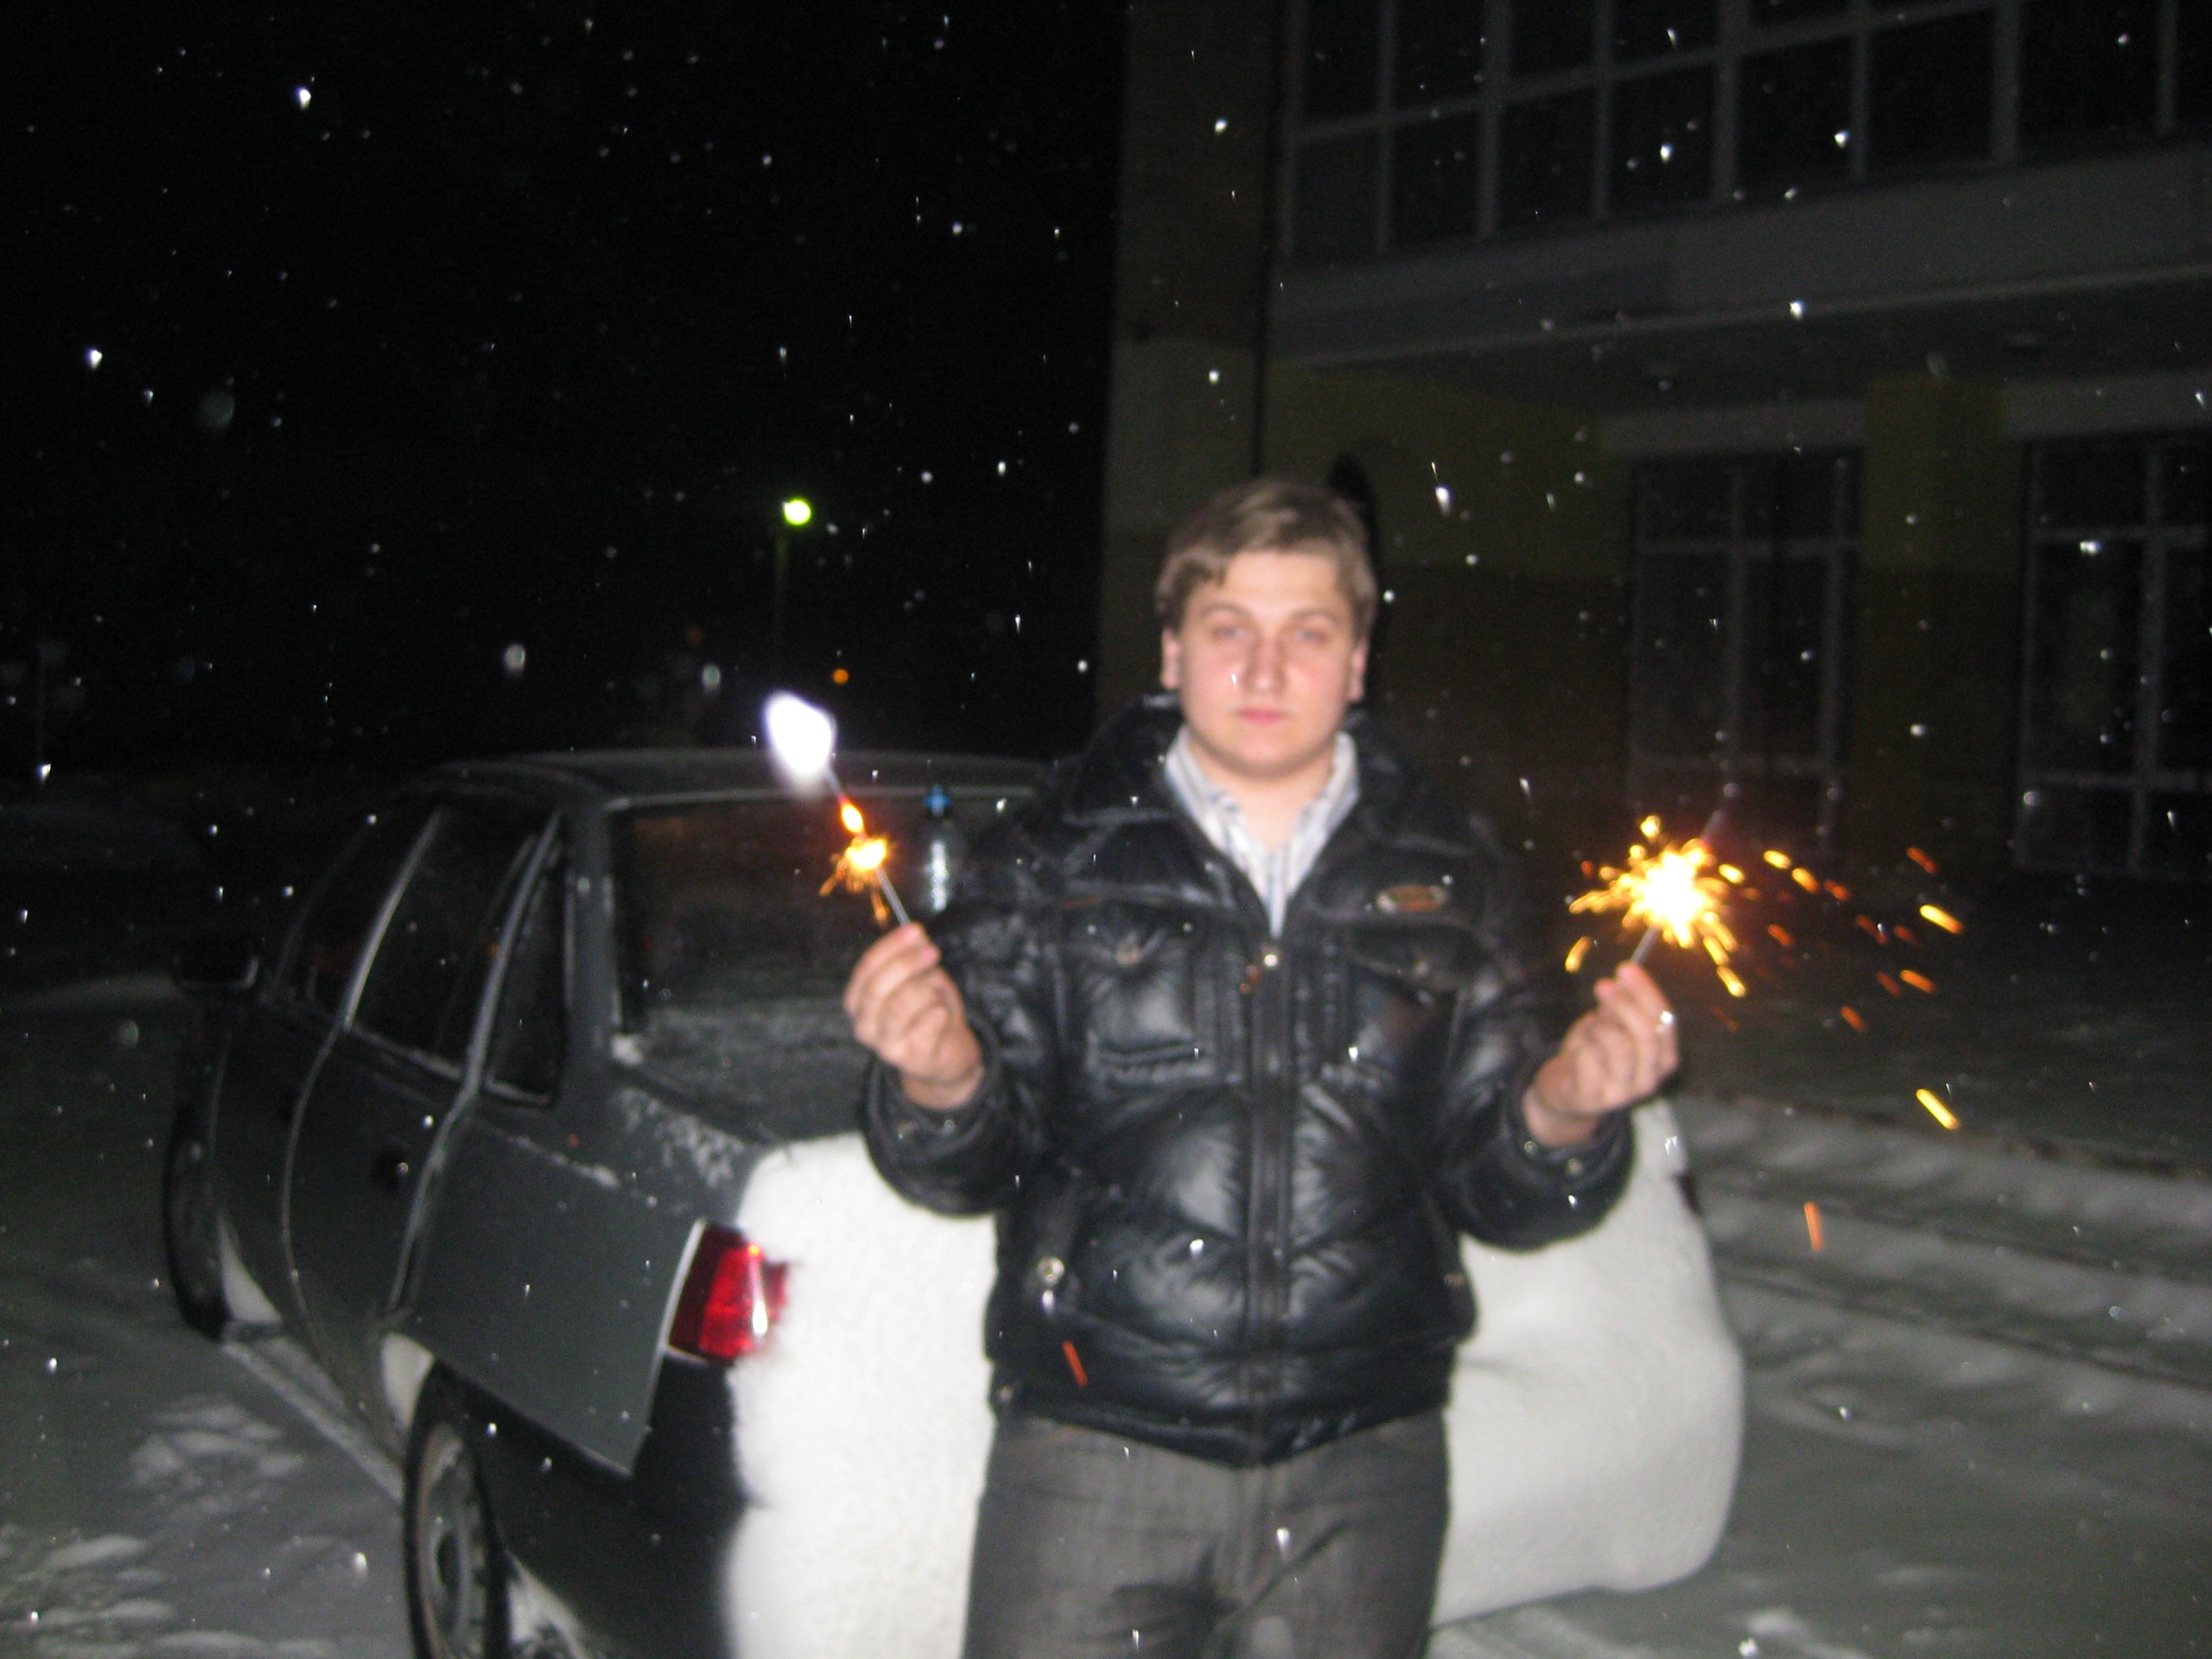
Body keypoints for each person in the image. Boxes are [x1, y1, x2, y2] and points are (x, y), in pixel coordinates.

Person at [842, 478, 1678, 1659]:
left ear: (1360, 661)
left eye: (1309, 634)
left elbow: (1504, 1194)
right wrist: (939, 1084)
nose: (1266, 669)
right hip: (1094, 1453)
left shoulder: (1458, 878)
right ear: (1172, 651)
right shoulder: (1048, 861)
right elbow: (966, 1167)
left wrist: (1563, 1114)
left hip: (1364, 1468)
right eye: (1229, 628)